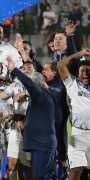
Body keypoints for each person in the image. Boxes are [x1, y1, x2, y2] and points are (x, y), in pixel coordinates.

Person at [6, 57, 57, 179]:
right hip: (40, 145)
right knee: (46, 176)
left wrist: (14, 69)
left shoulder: (41, 95)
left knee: (41, 177)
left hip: (42, 145)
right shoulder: (43, 97)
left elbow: (29, 84)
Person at [57, 48, 90, 180]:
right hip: (78, 135)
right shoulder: (72, 84)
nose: (86, 74)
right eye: (82, 71)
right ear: (78, 72)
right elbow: (61, 65)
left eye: (88, 70)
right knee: (75, 171)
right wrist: (80, 54)